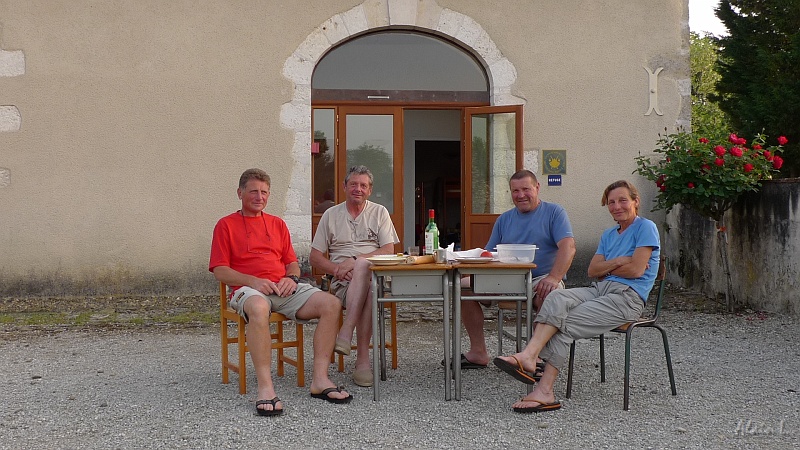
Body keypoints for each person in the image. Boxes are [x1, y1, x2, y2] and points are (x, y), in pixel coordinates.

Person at [493, 180, 660, 413]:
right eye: (611, 202)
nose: (616, 206)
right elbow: (592, 270)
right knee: (555, 297)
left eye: (623, 200)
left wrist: (609, 267)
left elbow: (635, 271)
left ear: (635, 201)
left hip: (627, 298)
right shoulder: (609, 234)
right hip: (600, 290)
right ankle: (530, 356)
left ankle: (545, 390)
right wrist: (620, 261)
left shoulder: (646, 227)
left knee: (563, 324)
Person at [209, 168, 352, 417]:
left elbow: (292, 263)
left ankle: (320, 379)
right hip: (248, 289)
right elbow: (220, 270)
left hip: (283, 287)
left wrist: (292, 278)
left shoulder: (277, 224)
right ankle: (265, 387)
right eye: (253, 191)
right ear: (239, 193)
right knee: (259, 307)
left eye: (264, 192)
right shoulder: (225, 225)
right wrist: (253, 281)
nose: (259, 196)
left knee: (331, 303)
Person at [459, 169, 576, 368]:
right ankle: (478, 352)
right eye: (515, 191)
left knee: (550, 294)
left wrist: (554, 278)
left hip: (541, 278)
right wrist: (469, 264)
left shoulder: (554, 212)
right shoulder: (504, 219)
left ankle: (535, 357)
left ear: (537, 188)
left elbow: (569, 247)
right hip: (506, 279)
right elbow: (489, 254)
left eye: (526, 189)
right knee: (461, 286)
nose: (521, 195)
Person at [309, 165, 400, 387]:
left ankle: (346, 330)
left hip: (375, 275)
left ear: (369, 190)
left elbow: (389, 251)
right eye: (353, 184)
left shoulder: (379, 212)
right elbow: (314, 257)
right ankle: (362, 362)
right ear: (344, 187)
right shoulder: (330, 215)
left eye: (363, 185)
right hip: (343, 282)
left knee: (364, 269)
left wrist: (355, 261)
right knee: (369, 289)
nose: (358, 189)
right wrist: (337, 269)